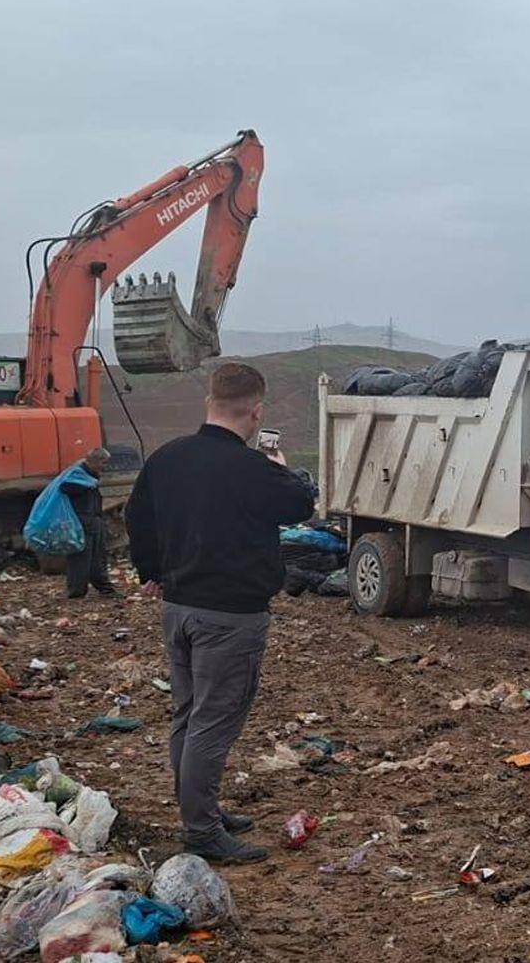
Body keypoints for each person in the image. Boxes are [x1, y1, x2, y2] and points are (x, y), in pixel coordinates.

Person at [125, 362, 316, 864]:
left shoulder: (167, 459)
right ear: (255, 413)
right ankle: (202, 831)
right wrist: (278, 465)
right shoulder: (252, 469)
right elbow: (301, 503)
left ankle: (201, 810)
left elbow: (134, 514)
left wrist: (151, 568)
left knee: (188, 715)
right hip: (230, 618)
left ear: (209, 402)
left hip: (179, 608)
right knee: (213, 721)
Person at [62, 448, 117, 599]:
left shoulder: (89, 476)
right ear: (94, 461)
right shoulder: (77, 477)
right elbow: (66, 488)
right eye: (103, 463)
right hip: (82, 522)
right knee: (80, 558)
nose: (105, 467)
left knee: (97, 556)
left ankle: (104, 588)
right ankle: (77, 591)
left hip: (94, 520)